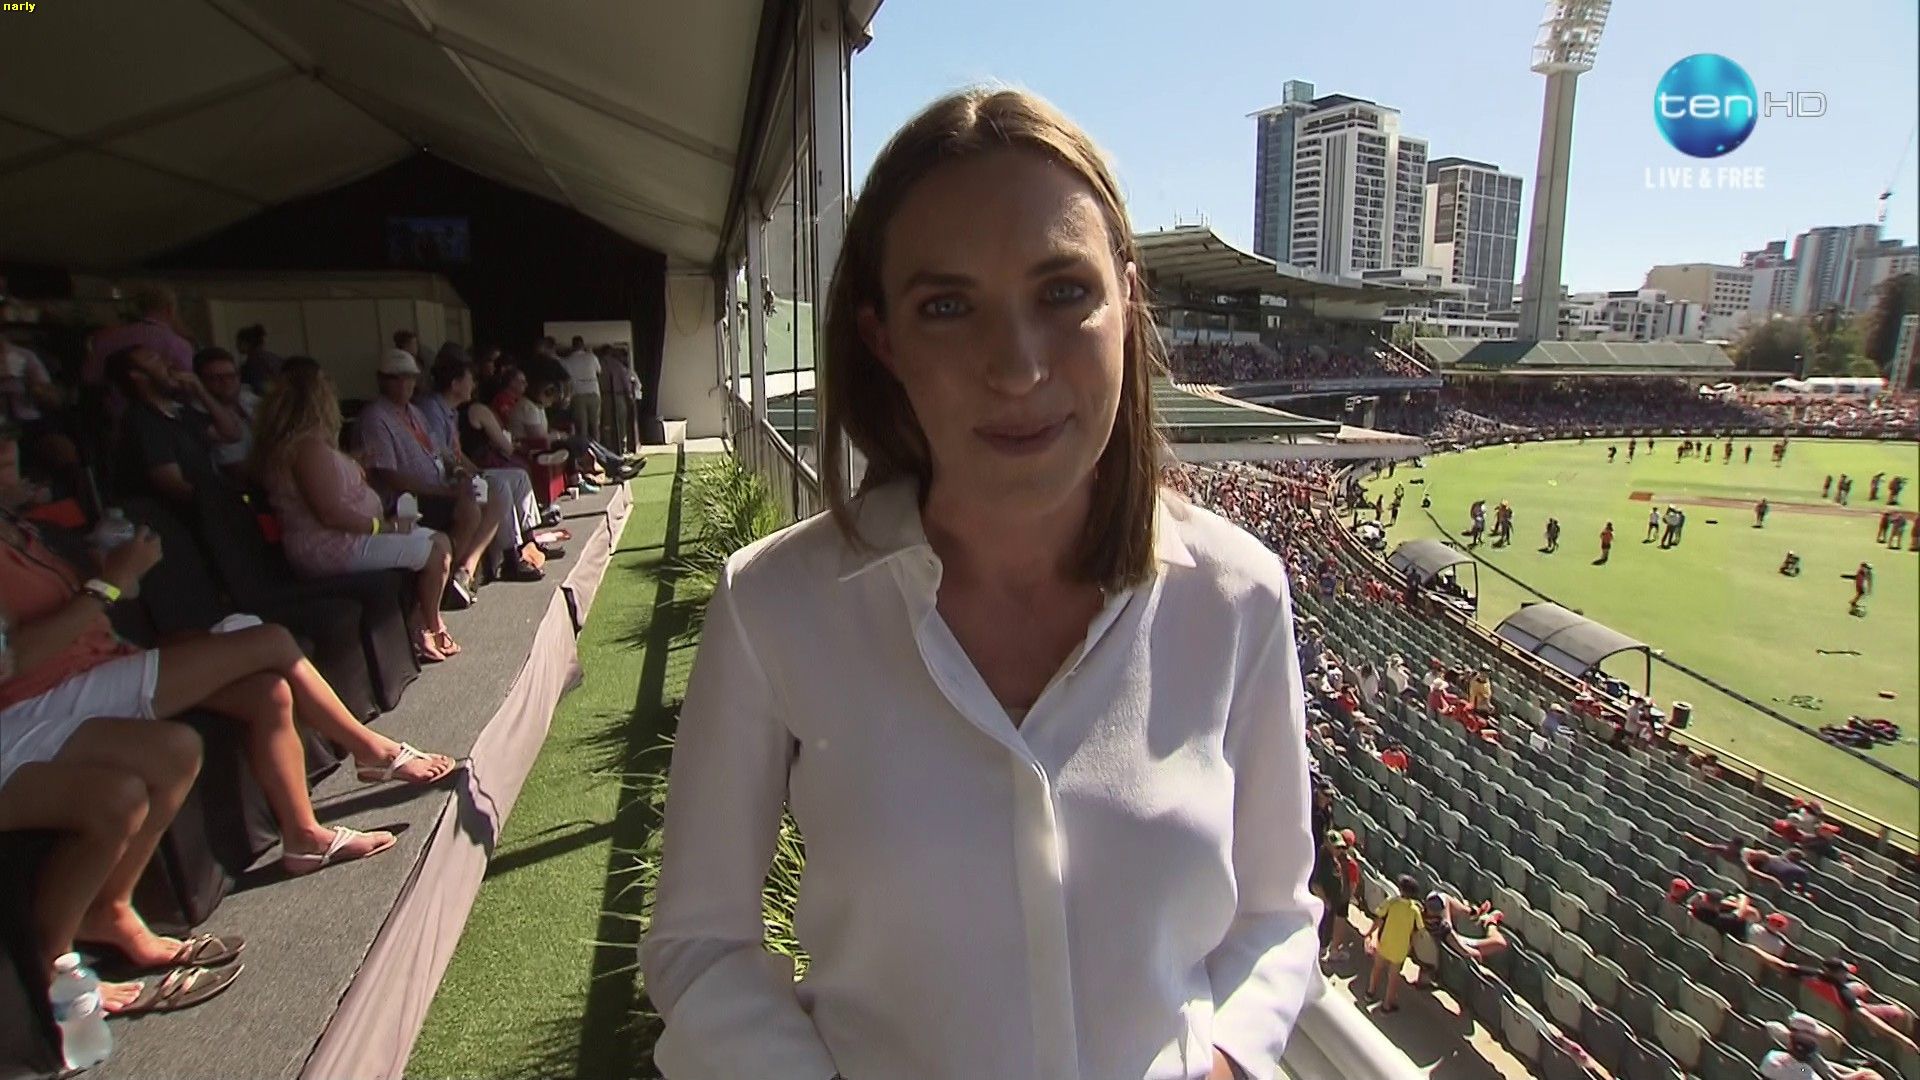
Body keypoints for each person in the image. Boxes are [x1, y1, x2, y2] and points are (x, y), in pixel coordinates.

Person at [640, 88, 1320, 1080]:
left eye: (1063, 292)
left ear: (1129, 301)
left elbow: (1277, 916)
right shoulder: (771, 607)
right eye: (948, 307)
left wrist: (1222, 1064)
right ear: (883, 337)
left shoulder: (1239, 595)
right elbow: (700, 950)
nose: (1017, 366)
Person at [252, 359, 464, 661]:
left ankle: (421, 619)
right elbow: (331, 513)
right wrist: (385, 527)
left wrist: (352, 464)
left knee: (440, 541)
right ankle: (429, 626)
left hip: (349, 538)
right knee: (435, 553)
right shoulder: (306, 449)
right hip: (332, 547)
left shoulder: (307, 446)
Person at [358, 349, 502, 605]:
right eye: (397, 377)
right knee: (469, 509)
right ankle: (442, 584)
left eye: (410, 377)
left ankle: (464, 572)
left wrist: (459, 472)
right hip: (406, 500)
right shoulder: (375, 417)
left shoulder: (414, 412)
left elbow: (440, 452)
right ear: (382, 380)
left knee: (494, 498)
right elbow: (389, 476)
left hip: (438, 487)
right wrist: (448, 491)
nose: (406, 384)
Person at [419, 353, 547, 582]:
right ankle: (511, 557)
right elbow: (442, 455)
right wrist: (472, 474)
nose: (474, 384)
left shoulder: (450, 411)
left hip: (462, 470)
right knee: (498, 485)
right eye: (470, 379)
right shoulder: (432, 410)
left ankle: (529, 542)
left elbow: (457, 453)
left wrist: (475, 471)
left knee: (518, 476)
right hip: (443, 479)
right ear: (455, 384)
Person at [106, 344, 243, 510]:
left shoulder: (180, 411)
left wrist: (200, 390)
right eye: (154, 359)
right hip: (175, 516)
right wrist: (222, 503)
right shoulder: (142, 421)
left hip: (208, 507)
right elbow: (173, 485)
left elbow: (231, 434)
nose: (168, 363)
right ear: (137, 375)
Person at [1757, 955, 1919, 1055]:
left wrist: (1756, 951)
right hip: (1844, 1016)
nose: (1846, 975)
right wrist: (1901, 1039)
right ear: (1834, 973)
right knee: (1899, 1013)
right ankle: (1890, 1051)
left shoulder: (1810, 975)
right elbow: (1866, 1017)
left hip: (1818, 1010)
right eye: (1844, 972)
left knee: (1859, 987)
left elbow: (1782, 965)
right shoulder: (1842, 993)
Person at [85, 284, 196, 385]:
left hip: (112, 400)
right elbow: (186, 388)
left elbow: (89, 377)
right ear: (170, 309)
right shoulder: (179, 344)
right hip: (159, 400)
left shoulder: (107, 337)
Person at [191, 346, 259, 482]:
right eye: (216, 378)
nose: (226, 382)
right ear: (200, 382)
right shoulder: (198, 413)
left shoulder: (249, 399)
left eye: (231, 376)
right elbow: (236, 471)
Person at [1363, 875, 1423, 1013]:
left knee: (1377, 968)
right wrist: (1411, 947)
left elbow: (1379, 918)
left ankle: (1370, 993)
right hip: (1400, 949)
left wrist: (1369, 933)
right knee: (1393, 978)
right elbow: (1418, 931)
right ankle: (1387, 1005)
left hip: (1384, 943)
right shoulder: (1415, 911)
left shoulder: (1391, 902)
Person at [559, 336, 603, 448]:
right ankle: (597, 450)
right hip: (593, 392)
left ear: (572, 346)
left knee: (581, 427)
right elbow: (599, 372)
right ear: (583, 345)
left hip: (577, 394)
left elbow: (565, 380)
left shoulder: (567, 361)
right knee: (595, 426)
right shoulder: (592, 357)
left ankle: (583, 451)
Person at [235, 324, 283, 394]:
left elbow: (262, 386)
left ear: (246, 343)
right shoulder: (274, 357)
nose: (236, 345)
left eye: (238, 342)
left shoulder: (253, 362)